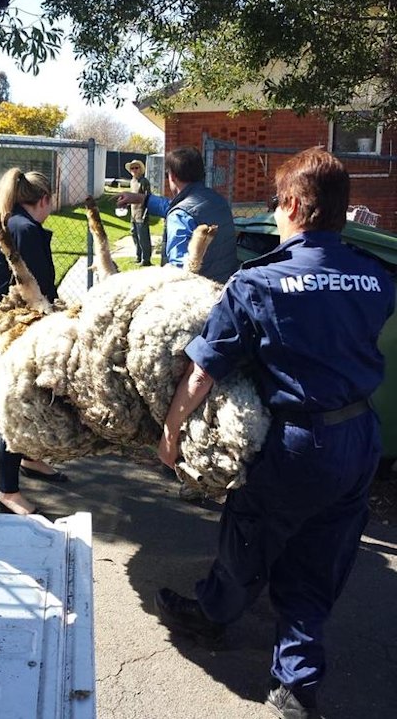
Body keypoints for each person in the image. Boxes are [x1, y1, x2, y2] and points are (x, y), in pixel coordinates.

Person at [154, 147, 395, 718]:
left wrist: (170, 434)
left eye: (277, 204)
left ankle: (213, 617)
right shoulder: (376, 276)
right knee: (324, 554)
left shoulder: (256, 283)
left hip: (297, 443)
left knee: (250, 536)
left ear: (292, 204)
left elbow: (203, 372)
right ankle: (296, 686)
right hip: (361, 437)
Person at [0, 168, 69, 517]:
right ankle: (7, 493)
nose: (53, 205)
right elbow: (39, 284)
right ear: (43, 200)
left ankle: (30, 458)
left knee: (27, 400)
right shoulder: (25, 230)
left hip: (4, 320)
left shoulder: (15, 222)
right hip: (8, 328)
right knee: (17, 406)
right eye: (52, 200)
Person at [118, 146, 239, 283]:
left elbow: (179, 270)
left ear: (172, 176)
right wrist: (139, 198)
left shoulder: (180, 216)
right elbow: (176, 207)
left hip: (199, 295)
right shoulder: (217, 200)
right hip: (227, 287)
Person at [125, 159, 152, 266]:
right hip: (133, 213)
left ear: (141, 169)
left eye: (137, 168)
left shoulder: (144, 181)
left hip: (142, 213)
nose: (134, 170)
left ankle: (146, 260)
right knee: (135, 235)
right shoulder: (132, 181)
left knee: (143, 237)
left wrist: (146, 213)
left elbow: (148, 197)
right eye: (132, 168)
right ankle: (138, 256)